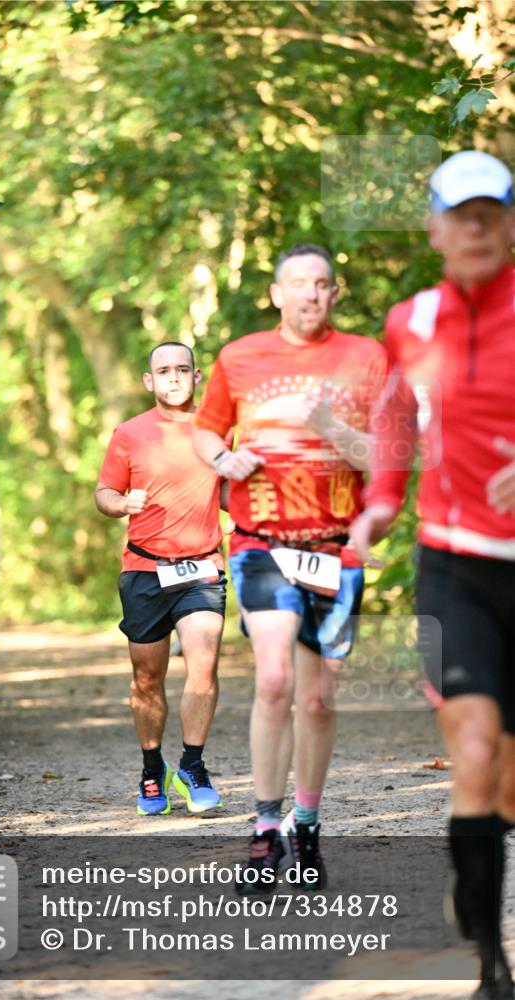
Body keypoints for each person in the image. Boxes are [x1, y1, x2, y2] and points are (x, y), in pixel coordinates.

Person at [351, 151, 515, 1000]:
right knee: (475, 752)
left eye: (492, 211)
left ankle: (476, 866)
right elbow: (392, 420)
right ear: (434, 227)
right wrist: (381, 502)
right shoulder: (408, 321)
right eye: (462, 212)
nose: (477, 226)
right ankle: (490, 966)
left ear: (511, 223)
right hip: (453, 565)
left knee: (509, 782)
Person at [192, 243, 388, 890]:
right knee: (273, 679)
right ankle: (264, 828)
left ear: (336, 295)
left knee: (317, 697)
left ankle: (306, 825)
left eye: (323, 284)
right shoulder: (239, 357)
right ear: (275, 294)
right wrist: (221, 462)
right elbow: (205, 430)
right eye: (298, 284)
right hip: (260, 543)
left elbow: (386, 458)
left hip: (334, 549)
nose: (311, 294)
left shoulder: (365, 358)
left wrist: (333, 427)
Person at [95, 342, 228, 816]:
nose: (174, 378)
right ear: (149, 381)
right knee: (147, 679)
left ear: (196, 377)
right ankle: (153, 770)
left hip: (202, 569)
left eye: (182, 370)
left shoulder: (218, 430)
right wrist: (119, 504)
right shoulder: (130, 433)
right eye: (163, 371)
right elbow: (104, 491)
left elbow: (236, 492)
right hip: (145, 569)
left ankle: (192, 765)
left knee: (204, 662)